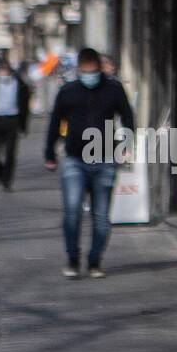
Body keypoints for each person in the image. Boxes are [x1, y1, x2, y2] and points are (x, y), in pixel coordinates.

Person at [44, 47, 135, 279]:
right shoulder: (68, 91)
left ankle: (95, 261)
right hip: (74, 159)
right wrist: (49, 153)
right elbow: (55, 121)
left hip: (105, 158)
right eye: (85, 71)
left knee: (101, 215)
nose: (89, 75)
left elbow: (127, 116)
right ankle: (73, 259)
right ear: (78, 70)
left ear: (99, 69)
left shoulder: (113, 89)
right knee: (72, 211)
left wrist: (126, 144)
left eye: (93, 71)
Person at [0, 58, 30, 190]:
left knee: (10, 153)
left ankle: (6, 181)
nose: (4, 72)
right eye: (2, 70)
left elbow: (25, 105)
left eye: (6, 70)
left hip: (12, 120)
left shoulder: (18, 83)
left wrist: (23, 125)